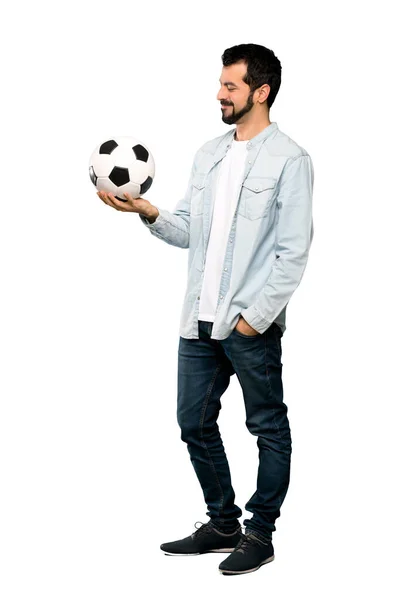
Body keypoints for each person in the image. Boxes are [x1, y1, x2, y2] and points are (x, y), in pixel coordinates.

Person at [97, 43, 314, 576]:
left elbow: (294, 252)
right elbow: (191, 232)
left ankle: (260, 533)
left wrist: (252, 318)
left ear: (260, 92)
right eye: (221, 84)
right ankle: (222, 523)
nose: (219, 93)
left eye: (230, 85)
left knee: (267, 427)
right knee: (192, 422)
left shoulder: (291, 160)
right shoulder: (208, 153)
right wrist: (148, 211)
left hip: (249, 325)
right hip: (198, 320)